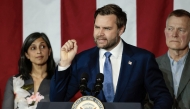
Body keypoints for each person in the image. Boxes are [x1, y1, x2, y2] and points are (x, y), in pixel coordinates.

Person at [50, 4, 172, 109]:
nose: (100, 33)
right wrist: (64, 64)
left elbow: (162, 97)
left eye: (107, 28)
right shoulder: (82, 60)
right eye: (97, 27)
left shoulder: (142, 59)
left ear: (121, 29)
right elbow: (57, 100)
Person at [2, 32, 56, 109]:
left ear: (49, 51)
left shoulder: (58, 81)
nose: (39, 51)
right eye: (33, 48)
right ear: (27, 55)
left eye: (43, 46)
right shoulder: (14, 82)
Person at [156, 9, 190, 108]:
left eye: (181, 30)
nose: (174, 34)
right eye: (170, 29)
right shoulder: (151, 65)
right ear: (165, 31)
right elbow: (144, 102)